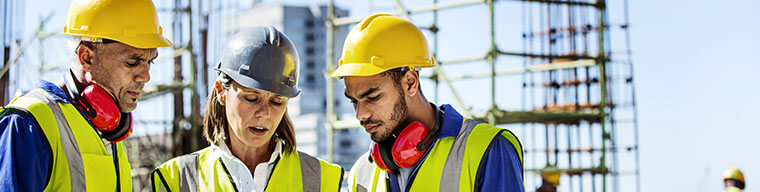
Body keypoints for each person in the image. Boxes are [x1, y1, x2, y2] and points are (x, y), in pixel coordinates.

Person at [332, 14, 524, 192]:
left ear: (410, 82)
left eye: (373, 97)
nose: (360, 114)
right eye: (354, 101)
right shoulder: (362, 173)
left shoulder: (487, 149)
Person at [0, 0, 171, 191]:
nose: (146, 76)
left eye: (150, 62)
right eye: (132, 62)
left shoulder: (109, 130)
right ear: (87, 57)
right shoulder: (28, 123)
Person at [151, 26, 344, 192]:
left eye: (277, 102)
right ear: (221, 92)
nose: (265, 113)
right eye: (251, 98)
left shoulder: (322, 180)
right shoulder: (176, 180)